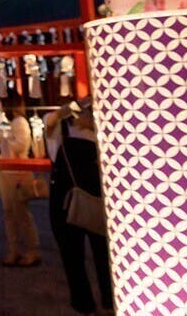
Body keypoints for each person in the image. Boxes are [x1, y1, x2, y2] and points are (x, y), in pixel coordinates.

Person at [44, 97, 113, 315]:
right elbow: (52, 117)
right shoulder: (58, 127)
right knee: (72, 256)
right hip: (65, 200)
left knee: (104, 256)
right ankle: (84, 304)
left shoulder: (99, 131)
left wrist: (92, 123)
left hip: (93, 199)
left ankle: (109, 302)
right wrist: (78, 104)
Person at [0, 96, 40, 267]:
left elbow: (21, 146)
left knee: (21, 213)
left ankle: (31, 251)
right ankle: (14, 250)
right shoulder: (7, 123)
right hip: (6, 171)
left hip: (19, 171)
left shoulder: (20, 122)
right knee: (9, 213)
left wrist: (5, 137)